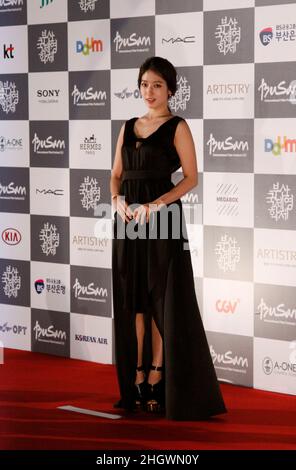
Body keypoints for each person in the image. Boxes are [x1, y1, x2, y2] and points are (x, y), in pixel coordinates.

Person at [110, 56, 226, 420]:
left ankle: (158, 374)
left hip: (162, 220)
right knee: (135, 300)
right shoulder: (128, 126)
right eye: (145, 84)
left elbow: (191, 177)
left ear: (170, 90)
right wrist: (116, 199)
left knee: (162, 298)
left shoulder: (177, 126)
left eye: (157, 85)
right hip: (128, 222)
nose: (149, 91)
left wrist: (158, 203)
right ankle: (137, 375)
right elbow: (116, 174)